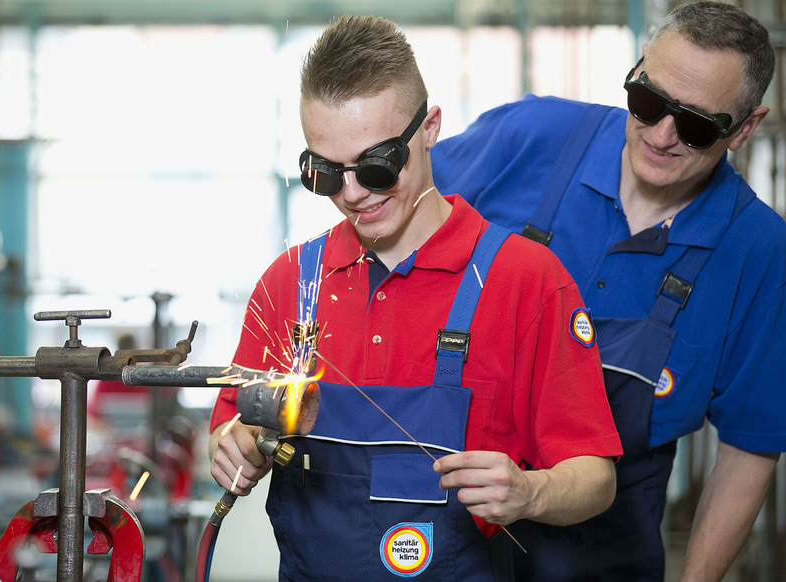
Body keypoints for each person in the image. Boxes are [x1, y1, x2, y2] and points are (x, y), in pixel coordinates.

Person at [209, 14, 622, 582]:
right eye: (325, 172)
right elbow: (231, 424)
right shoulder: (290, 284)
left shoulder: (525, 281)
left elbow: (596, 479)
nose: (352, 195)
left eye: (376, 166)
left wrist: (531, 491)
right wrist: (232, 444)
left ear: (429, 128)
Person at [431, 2, 784, 580]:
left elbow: (749, 447)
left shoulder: (756, 250)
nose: (662, 136)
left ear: (744, 128)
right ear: (638, 67)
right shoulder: (532, 136)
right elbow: (398, 217)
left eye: (696, 126)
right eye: (648, 101)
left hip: (601, 555)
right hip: (440, 526)